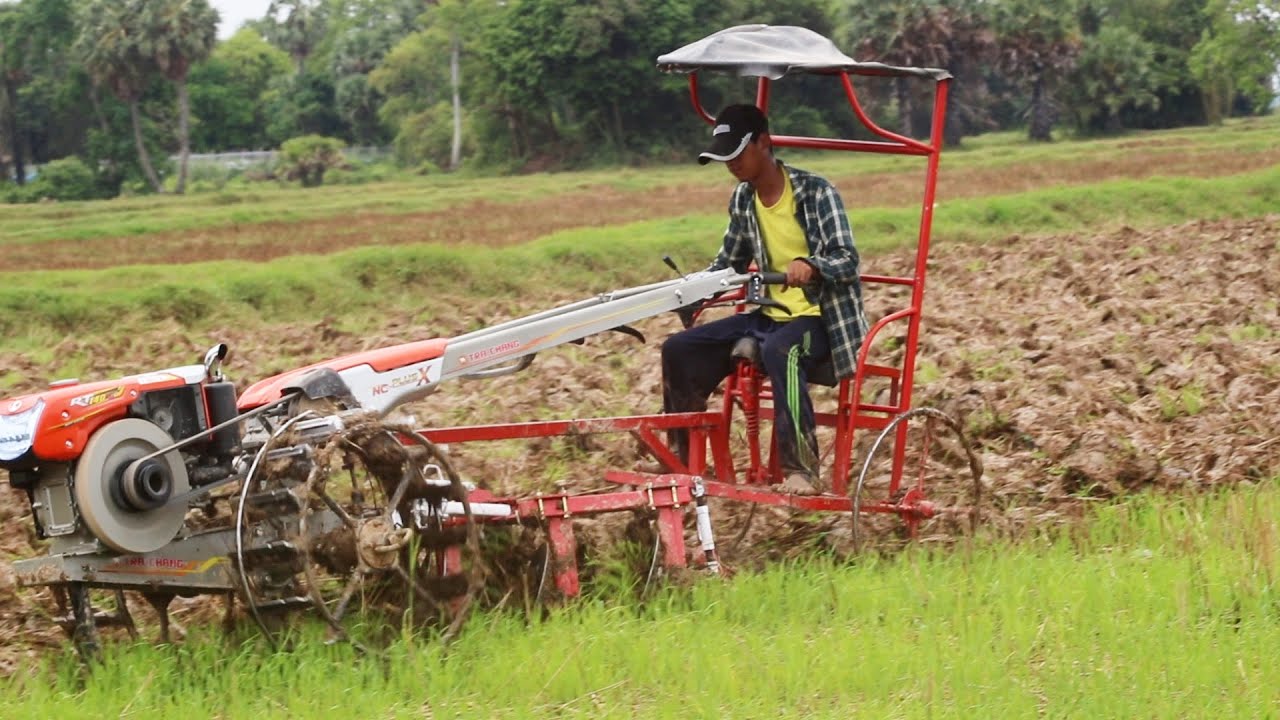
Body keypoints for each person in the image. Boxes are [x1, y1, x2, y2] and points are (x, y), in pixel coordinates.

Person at [660, 103, 868, 495]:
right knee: (679, 349)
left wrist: (812, 265)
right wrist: (693, 290)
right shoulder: (744, 199)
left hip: (822, 319)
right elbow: (729, 264)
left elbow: (847, 259)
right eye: (725, 157)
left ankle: (802, 470)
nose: (732, 164)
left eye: (738, 153)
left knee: (782, 350)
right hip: (771, 315)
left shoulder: (816, 192)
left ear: (764, 142)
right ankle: (682, 462)